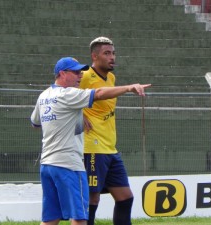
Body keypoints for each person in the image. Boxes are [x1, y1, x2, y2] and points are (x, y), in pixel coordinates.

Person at [30, 56, 150, 225]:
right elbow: (99, 93)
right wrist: (129, 88)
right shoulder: (68, 94)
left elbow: (35, 123)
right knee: (80, 218)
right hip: (69, 165)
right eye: (76, 72)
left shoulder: (44, 95)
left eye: (81, 71)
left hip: (47, 165)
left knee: (50, 219)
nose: (80, 75)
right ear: (63, 74)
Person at [79, 37, 135, 225]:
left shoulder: (111, 78)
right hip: (93, 147)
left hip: (110, 147)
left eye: (113, 53)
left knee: (125, 197)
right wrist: (78, 114)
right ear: (94, 56)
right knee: (92, 199)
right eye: (107, 53)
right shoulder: (85, 76)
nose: (112, 57)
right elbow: (63, 96)